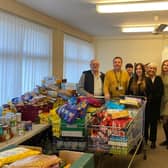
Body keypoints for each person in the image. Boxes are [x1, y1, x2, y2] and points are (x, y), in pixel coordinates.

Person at [145, 63, 163, 149]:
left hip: (155, 105)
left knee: (153, 124)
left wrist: (152, 96)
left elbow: (160, 91)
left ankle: (153, 141)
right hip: (146, 105)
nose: (151, 70)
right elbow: (145, 92)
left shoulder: (158, 79)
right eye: (150, 68)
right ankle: (144, 140)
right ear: (147, 69)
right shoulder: (145, 79)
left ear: (155, 70)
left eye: (153, 68)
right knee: (145, 123)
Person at [160, 60, 168, 149]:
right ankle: (166, 139)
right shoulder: (160, 76)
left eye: (167, 65)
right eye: (164, 65)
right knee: (164, 123)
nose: (166, 66)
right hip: (162, 101)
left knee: (166, 122)